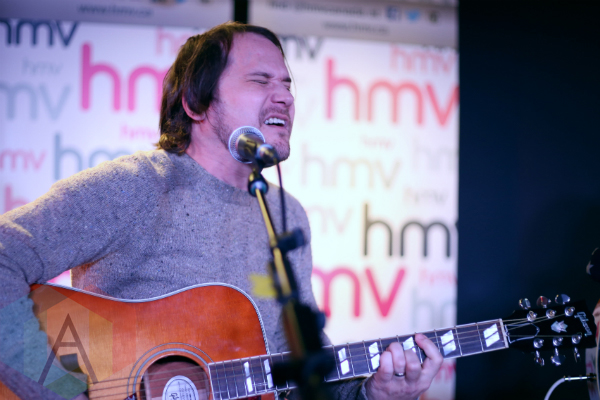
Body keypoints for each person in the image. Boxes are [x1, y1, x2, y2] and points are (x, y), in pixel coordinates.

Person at [0, 22, 442, 400]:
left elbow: (302, 379)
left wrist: (373, 393)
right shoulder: (135, 186)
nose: (285, 98)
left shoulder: (285, 214)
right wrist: (61, 392)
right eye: (261, 81)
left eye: (287, 85)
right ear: (196, 103)